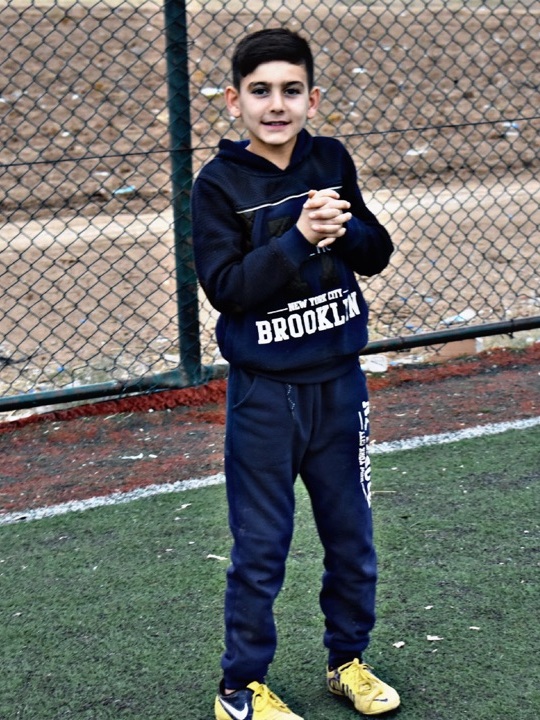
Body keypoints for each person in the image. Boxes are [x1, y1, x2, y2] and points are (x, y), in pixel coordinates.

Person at [191, 27, 400, 720]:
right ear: (234, 101)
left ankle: (348, 662)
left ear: (311, 99)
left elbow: (375, 252)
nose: (275, 105)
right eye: (260, 91)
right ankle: (240, 687)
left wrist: (344, 228)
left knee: (352, 537)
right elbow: (228, 288)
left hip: (340, 386)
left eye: (290, 90)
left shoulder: (329, 158)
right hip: (266, 396)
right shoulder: (218, 185)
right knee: (262, 548)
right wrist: (299, 238)